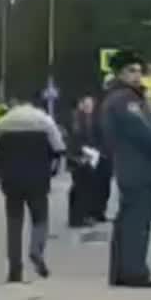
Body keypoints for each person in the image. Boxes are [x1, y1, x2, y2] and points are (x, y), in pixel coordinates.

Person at [100, 50, 151, 289]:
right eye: (131, 71)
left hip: (131, 165)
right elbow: (141, 130)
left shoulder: (123, 98)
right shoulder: (125, 100)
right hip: (137, 166)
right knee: (137, 222)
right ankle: (134, 271)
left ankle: (122, 270)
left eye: (139, 71)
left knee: (128, 219)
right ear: (120, 74)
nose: (137, 76)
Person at [0, 98, 65, 283]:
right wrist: (53, 172)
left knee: (14, 224)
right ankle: (36, 249)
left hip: (11, 180)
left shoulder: (3, 122)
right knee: (40, 219)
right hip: (38, 179)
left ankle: (15, 270)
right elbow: (59, 148)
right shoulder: (44, 120)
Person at [67, 96, 102, 228]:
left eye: (91, 105)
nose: (89, 107)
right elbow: (76, 139)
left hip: (89, 157)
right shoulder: (78, 119)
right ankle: (77, 218)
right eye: (86, 105)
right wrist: (84, 153)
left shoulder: (90, 119)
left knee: (86, 188)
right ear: (81, 105)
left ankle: (82, 216)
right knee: (80, 188)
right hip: (80, 158)